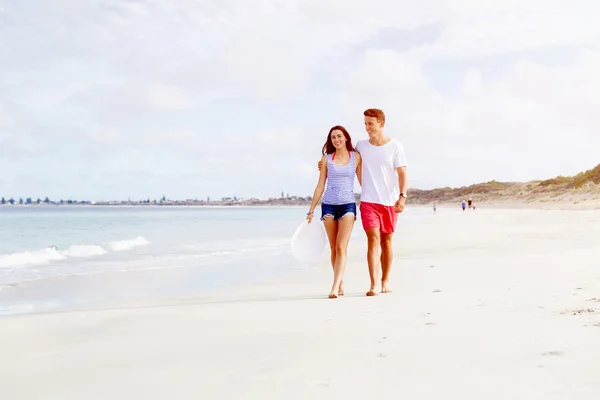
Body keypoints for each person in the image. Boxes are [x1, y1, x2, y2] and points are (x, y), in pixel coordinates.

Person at [318, 108, 407, 296]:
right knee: (373, 239)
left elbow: (402, 173)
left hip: (389, 202)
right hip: (368, 201)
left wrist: (402, 195)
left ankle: (385, 280)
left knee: (387, 241)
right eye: (365, 123)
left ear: (381, 123)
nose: (367, 127)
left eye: (370, 124)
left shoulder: (395, 146)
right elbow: (343, 157)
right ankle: (374, 284)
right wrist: (323, 163)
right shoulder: (361, 146)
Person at [307, 125, 362, 299]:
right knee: (333, 248)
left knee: (341, 247)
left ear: (346, 137)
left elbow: (363, 180)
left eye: (339, 136)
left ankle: (335, 286)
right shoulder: (326, 159)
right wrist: (311, 209)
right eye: (333, 138)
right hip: (329, 205)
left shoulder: (356, 157)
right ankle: (340, 282)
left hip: (348, 205)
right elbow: (320, 185)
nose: (336, 140)